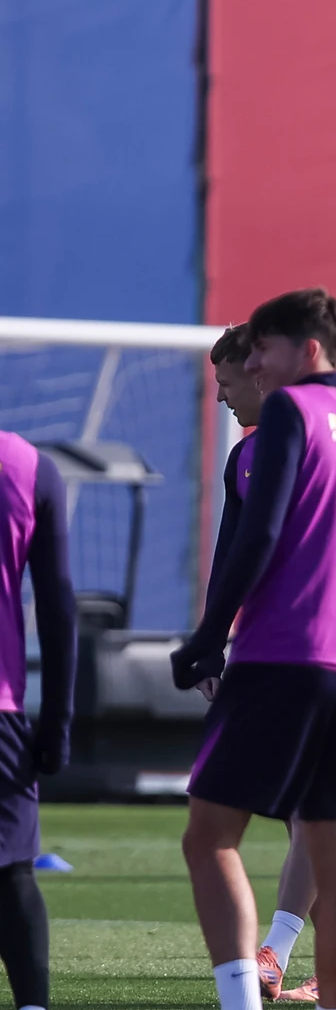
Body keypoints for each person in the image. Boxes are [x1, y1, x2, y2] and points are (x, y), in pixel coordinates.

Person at [172, 288, 336, 1010]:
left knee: (209, 836)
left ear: (308, 350)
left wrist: (207, 636)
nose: (252, 362)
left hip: (281, 655)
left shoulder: (287, 413)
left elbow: (258, 534)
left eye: (263, 350)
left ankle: (243, 997)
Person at [202, 325, 336, 1004]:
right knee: (310, 815)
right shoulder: (252, 454)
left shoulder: (295, 444)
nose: (222, 397)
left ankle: (284, 960)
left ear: (259, 372)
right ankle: (306, 962)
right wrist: (213, 637)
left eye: (227, 382)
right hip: (294, 653)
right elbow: (232, 552)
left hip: (305, 654)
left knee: (287, 817)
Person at [0, 428, 77, 1010]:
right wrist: (57, 722)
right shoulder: (29, 466)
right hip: (2, 713)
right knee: (11, 872)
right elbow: (58, 605)